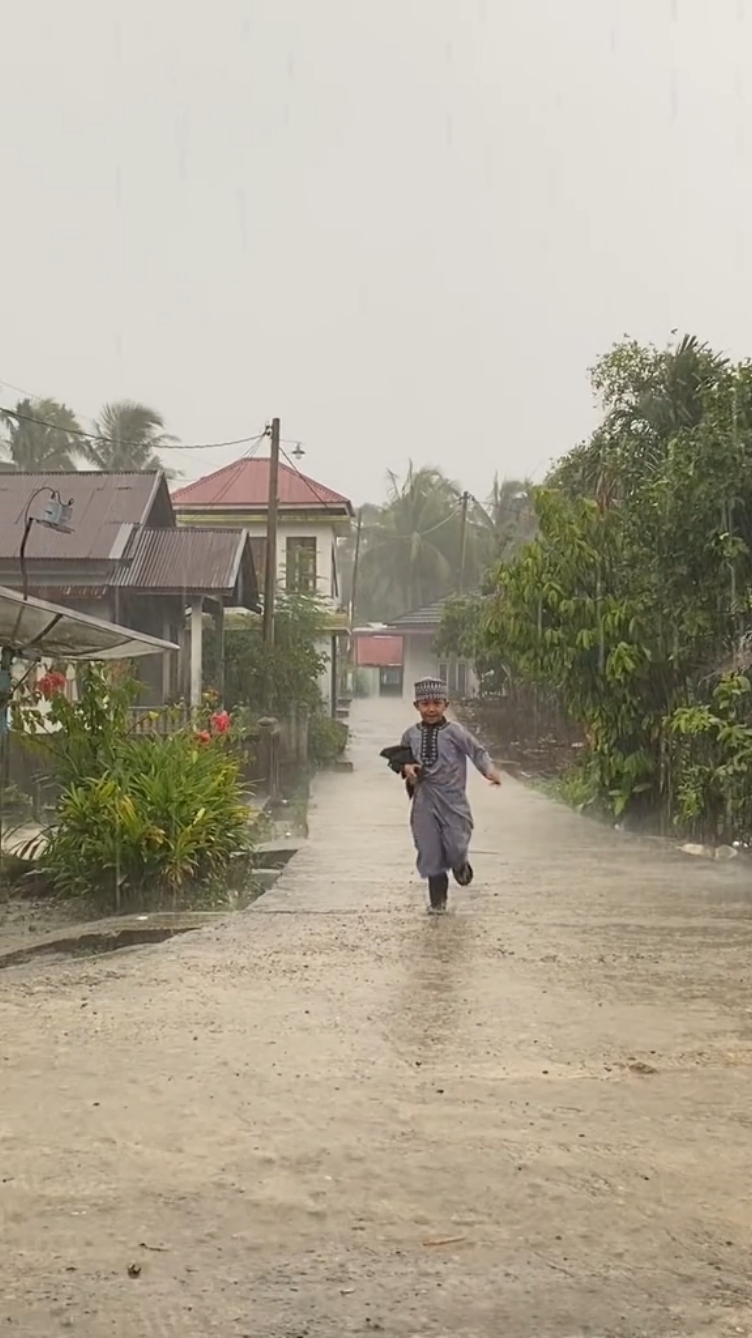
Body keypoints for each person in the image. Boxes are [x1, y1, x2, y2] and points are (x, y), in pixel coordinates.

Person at [395, 677, 502, 912]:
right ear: (416, 706)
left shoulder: (456, 732)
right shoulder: (410, 735)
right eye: (425, 704)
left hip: (453, 802)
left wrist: (489, 771)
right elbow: (400, 758)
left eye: (436, 703)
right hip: (424, 801)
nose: (431, 709)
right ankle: (438, 906)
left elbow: (477, 752)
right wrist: (407, 768)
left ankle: (459, 862)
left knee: (455, 845)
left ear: (446, 704)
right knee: (431, 853)